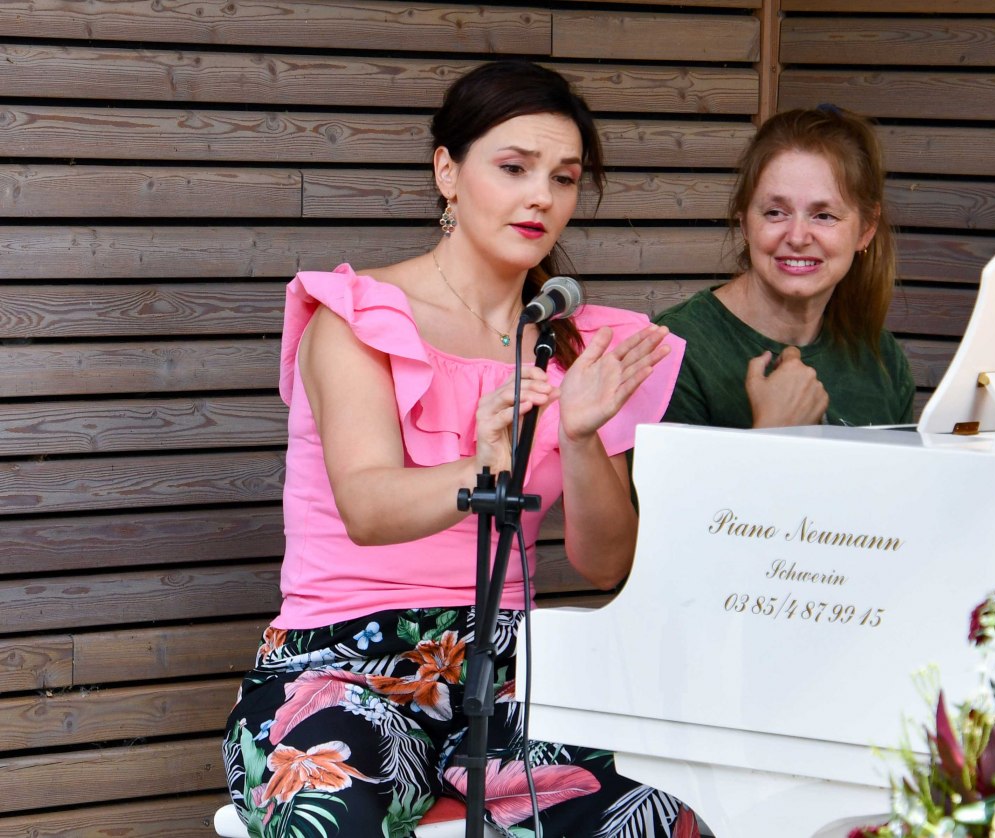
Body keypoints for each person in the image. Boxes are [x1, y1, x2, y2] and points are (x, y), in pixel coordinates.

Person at [221, 60, 698, 837]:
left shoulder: (581, 346)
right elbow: (369, 508)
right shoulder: (358, 319)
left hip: (509, 678)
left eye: (564, 178)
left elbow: (604, 563)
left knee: (660, 811)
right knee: (333, 807)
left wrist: (577, 436)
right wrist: (486, 466)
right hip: (339, 669)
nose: (541, 196)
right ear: (447, 170)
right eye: (513, 168)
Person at [654, 106, 914, 429]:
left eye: (824, 215)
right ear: (745, 223)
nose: (797, 237)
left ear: (866, 229)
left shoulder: (883, 361)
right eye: (776, 212)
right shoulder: (675, 349)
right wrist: (773, 430)